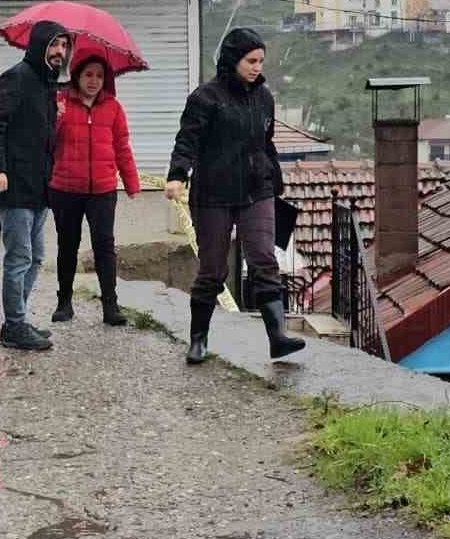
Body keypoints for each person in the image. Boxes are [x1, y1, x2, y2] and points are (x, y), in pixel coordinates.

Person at [165, 27, 305, 365]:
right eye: (250, 61)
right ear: (232, 60)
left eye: (261, 61)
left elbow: (265, 142)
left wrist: (274, 178)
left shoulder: (264, 98)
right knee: (213, 269)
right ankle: (198, 340)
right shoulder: (205, 98)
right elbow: (187, 141)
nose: (257, 67)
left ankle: (277, 338)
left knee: (264, 259)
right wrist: (177, 175)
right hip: (213, 194)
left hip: (257, 190)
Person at [0, 20, 71, 351]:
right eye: (54, 44)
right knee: (19, 258)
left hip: (38, 187)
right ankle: (15, 325)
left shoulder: (48, 85)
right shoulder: (17, 78)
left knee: (35, 258)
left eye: (64, 45)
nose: (60, 51)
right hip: (15, 186)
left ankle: (15, 321)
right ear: (39, 45)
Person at [48, 52, 141, 327]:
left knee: (104, 246)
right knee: (68, 245)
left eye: (100, 76)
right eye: (88, 74)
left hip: (102, 190)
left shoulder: (113, 108)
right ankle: (64, 302)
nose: (94, 80)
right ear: (77, 76)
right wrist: (56, 118)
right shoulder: (60, 103)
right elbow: (46, 141)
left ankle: (110, 305)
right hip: (65, 189)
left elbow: (122, 148)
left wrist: (131, 181)